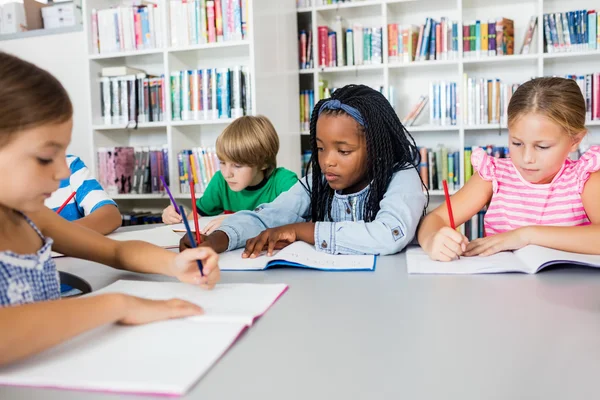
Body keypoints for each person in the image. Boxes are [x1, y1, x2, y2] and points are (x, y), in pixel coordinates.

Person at [0, 52, 220, 367]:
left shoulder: (32, 217)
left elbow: (115, 252)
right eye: (46, 157)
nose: (63, 172)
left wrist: (174, 264)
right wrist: (118, 305)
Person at [181, 84, 428, 256]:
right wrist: (219, 239)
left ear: (377, 149)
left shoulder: (402, 177)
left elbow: (388, 235)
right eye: (320, 148)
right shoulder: (319, 181)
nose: (327, 161)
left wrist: (300, 230)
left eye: (343, 151)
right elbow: (270, 215)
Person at [417, 77, 600, 261]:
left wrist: (527, 236)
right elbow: (433, 220)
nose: (527, 158)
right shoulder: (494, 175)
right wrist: (432, 240)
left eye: (542, 147)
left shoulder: (584, 179)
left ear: (575, 140)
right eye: (517, 143)